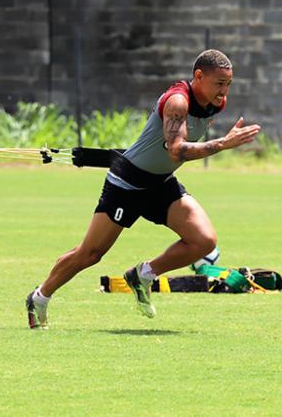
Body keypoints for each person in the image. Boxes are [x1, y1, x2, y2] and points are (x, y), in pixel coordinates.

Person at [26, 49, 261, 328]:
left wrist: (221, 139)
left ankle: (143, 275)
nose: (224, 92)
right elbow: (176, 150)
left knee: (204, 241)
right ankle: (39, 297)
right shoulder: (177, 102)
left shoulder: (214, 103)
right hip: (127, 184)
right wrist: (222, 144)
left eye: (228, 84)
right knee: (90, 254)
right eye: (219, 83)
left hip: (161, 183)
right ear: (198, 76)